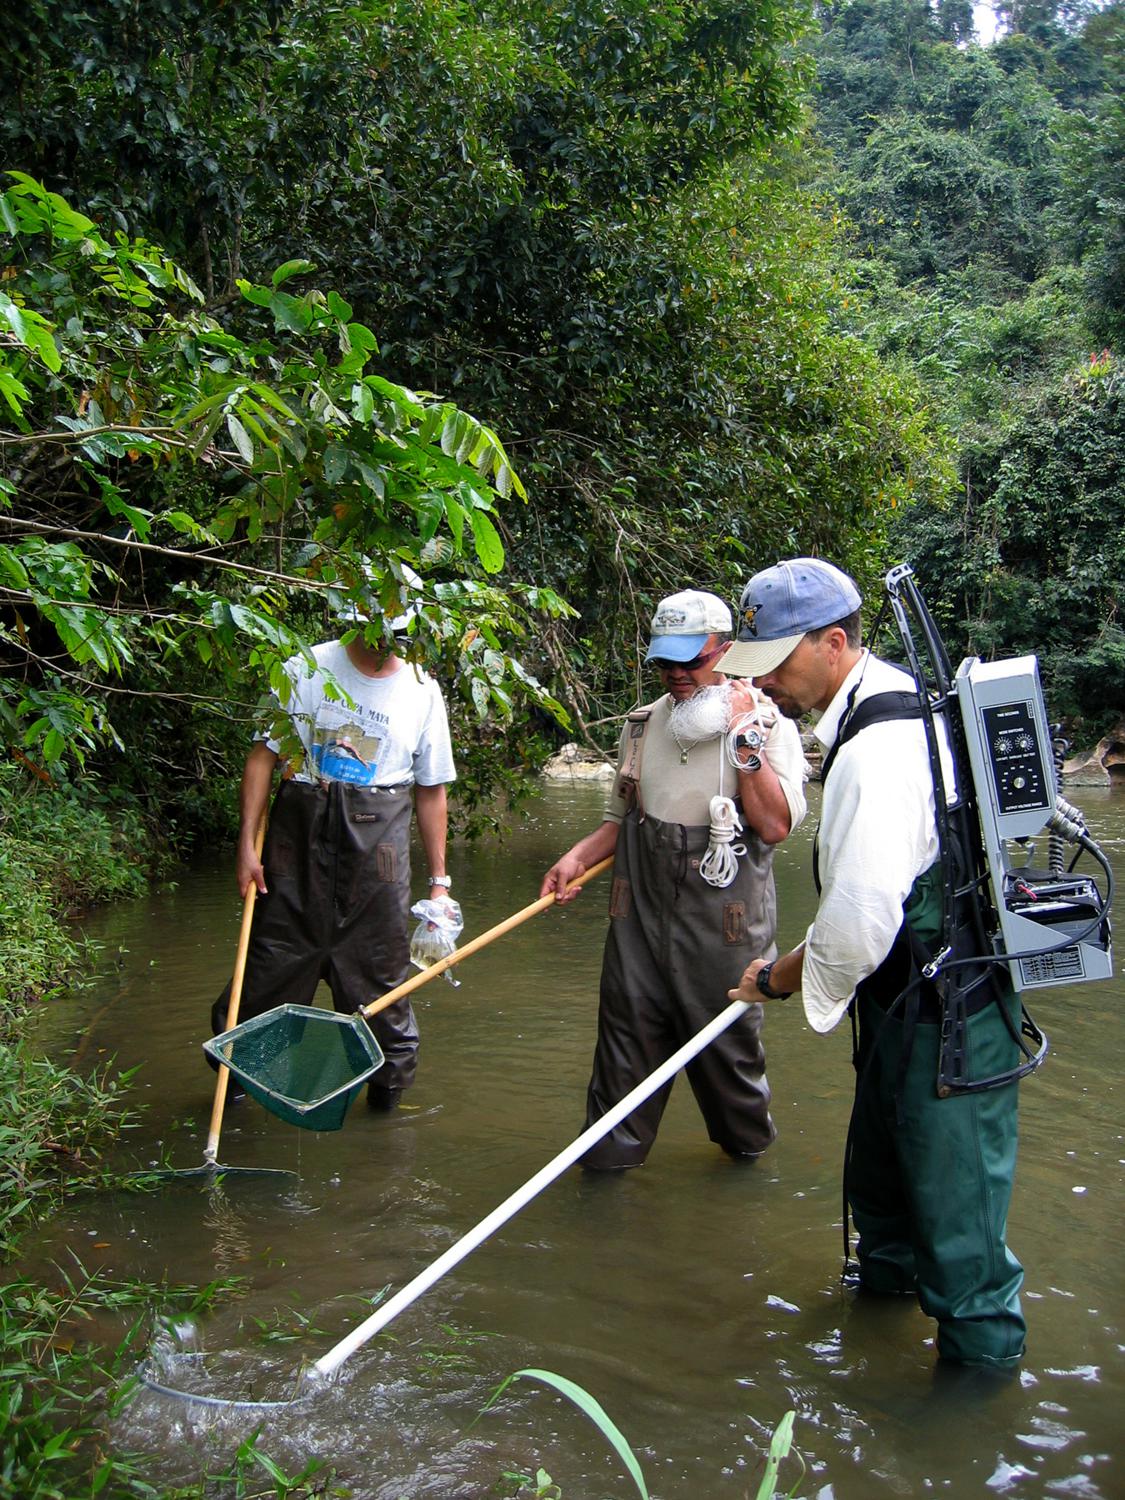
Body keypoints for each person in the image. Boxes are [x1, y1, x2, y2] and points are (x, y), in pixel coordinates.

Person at [723, 557, 1026, 1369]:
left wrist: (778, 980)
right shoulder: (878, 708)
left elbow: (856, 923)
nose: (768, 688)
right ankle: (875, 1329)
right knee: (885, 1206)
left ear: (832, 643)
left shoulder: (874, 751)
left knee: (965, 1258)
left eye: (777, 665)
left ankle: (968, 1426)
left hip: (949, 1029)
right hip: (908, 1010)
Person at [540, 589, 807, 1168]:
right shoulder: (639, 728)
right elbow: (618, 821)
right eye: (666, 662)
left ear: (726, 651)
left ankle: (745, 1167)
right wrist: (576, 857)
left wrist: (746, 741)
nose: (679, 675)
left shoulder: (769, 724)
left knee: (729, 1063)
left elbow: (775, 826)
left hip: (725, 933)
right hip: (636, 924)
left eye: (694, 660)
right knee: (620, 1053)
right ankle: (607, 1167)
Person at [210, 583, 456, 1111]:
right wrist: (245, 846)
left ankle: (384, 1110)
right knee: (265, 978)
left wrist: (439, 885)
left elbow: (432, 790)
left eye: (399, 631)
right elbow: (262, 758)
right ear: (354, 621)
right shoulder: (306, 669)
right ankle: (230, 1097)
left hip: (378, 858)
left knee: (382, 990)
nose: (389, 642)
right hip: (295, 850)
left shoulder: (421, 689)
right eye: (379, 630)